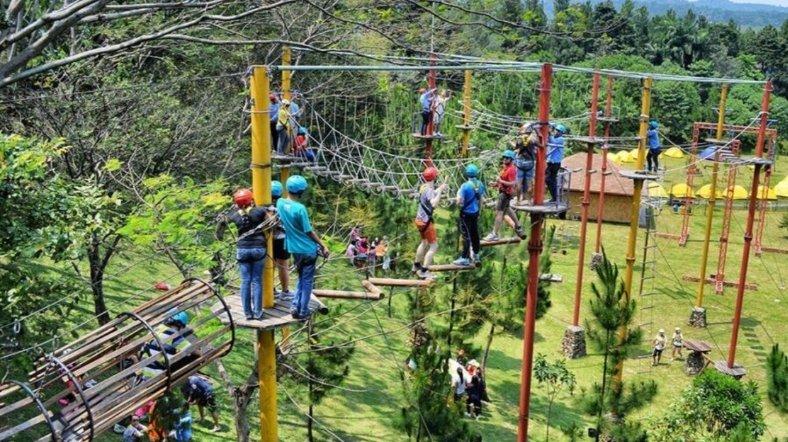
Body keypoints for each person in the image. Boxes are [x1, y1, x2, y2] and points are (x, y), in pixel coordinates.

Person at [277, 175, 329, 320]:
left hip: (294, 249)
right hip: (307, 249)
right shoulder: (300, 209)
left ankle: (295, 306)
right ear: (301, 192)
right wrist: (323, 245)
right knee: (307, 282)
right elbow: (308, 231)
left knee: (301, 278)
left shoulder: (280, 203)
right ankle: (303, 310)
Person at [216, 188, 269, 320]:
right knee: (256, 280)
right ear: (251, 200)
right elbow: (270, 223)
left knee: (245, 281)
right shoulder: (260, 211)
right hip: (258, 248)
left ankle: (248, 313)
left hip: (243, 249)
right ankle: (258, 312)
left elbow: (221, 225)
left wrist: (220, 237)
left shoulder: (233, 215)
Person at [413, 167, 447, 279]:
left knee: (424, 242)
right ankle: (424, 271)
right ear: (434, 177)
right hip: (425, 222)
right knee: (434, 246)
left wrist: (440, 188)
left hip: (419, 220)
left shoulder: (424, 187)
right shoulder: (429, 190)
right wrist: (440, 191)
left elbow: (431, 194)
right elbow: (433, 204)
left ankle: (416, 266)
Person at [484, 150, 526, 242]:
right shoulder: (505, 168)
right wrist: (495, 184)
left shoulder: (511, 170)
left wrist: (500, 181)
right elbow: (503, 181)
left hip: (505, 194)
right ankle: (518, 226)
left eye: (507, 158)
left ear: (511, 159)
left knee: (499, 212)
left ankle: (494, 234)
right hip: (505, 192)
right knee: (508, 209)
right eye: (504, 157)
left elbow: (512, 183)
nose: (504, 159)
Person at [454, 164, 485, 266]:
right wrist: (479, 211)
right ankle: (476, 254)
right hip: (475, 213)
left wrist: (457, 195)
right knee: (474, 233)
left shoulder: (464, 186)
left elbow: (459, 202)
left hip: (466, 214)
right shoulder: (480, 184)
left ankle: (465, 258)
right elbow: (481, 200)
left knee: (466, 236)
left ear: (467, 174)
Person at [271, 181, 291, 299]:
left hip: (268, 239)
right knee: (283, 266)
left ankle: (271, 289)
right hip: (282, 238)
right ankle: (285, 291)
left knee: (270, 265)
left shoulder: (263, 206)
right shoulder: (285, 205)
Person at [515, 123, 538, 203]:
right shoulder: (533, 139)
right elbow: (541, 145)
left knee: (519, 183)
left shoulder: (519, 139)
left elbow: (516, 147)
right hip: (529, 162)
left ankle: (518, 201)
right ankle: (529, 201)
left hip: (520, 162)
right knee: (529, 183)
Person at [546, 123, 566, 203]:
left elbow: (553, 142)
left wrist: (549, 132)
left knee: (549, 179)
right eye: (556, 130)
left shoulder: (560, 139)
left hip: (555, 163)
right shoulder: (554, 138)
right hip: (551, 162)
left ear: (561, 133)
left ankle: (555, 197)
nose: (556, 132)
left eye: (558, 131)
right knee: (550, 180)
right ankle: (554, 197)